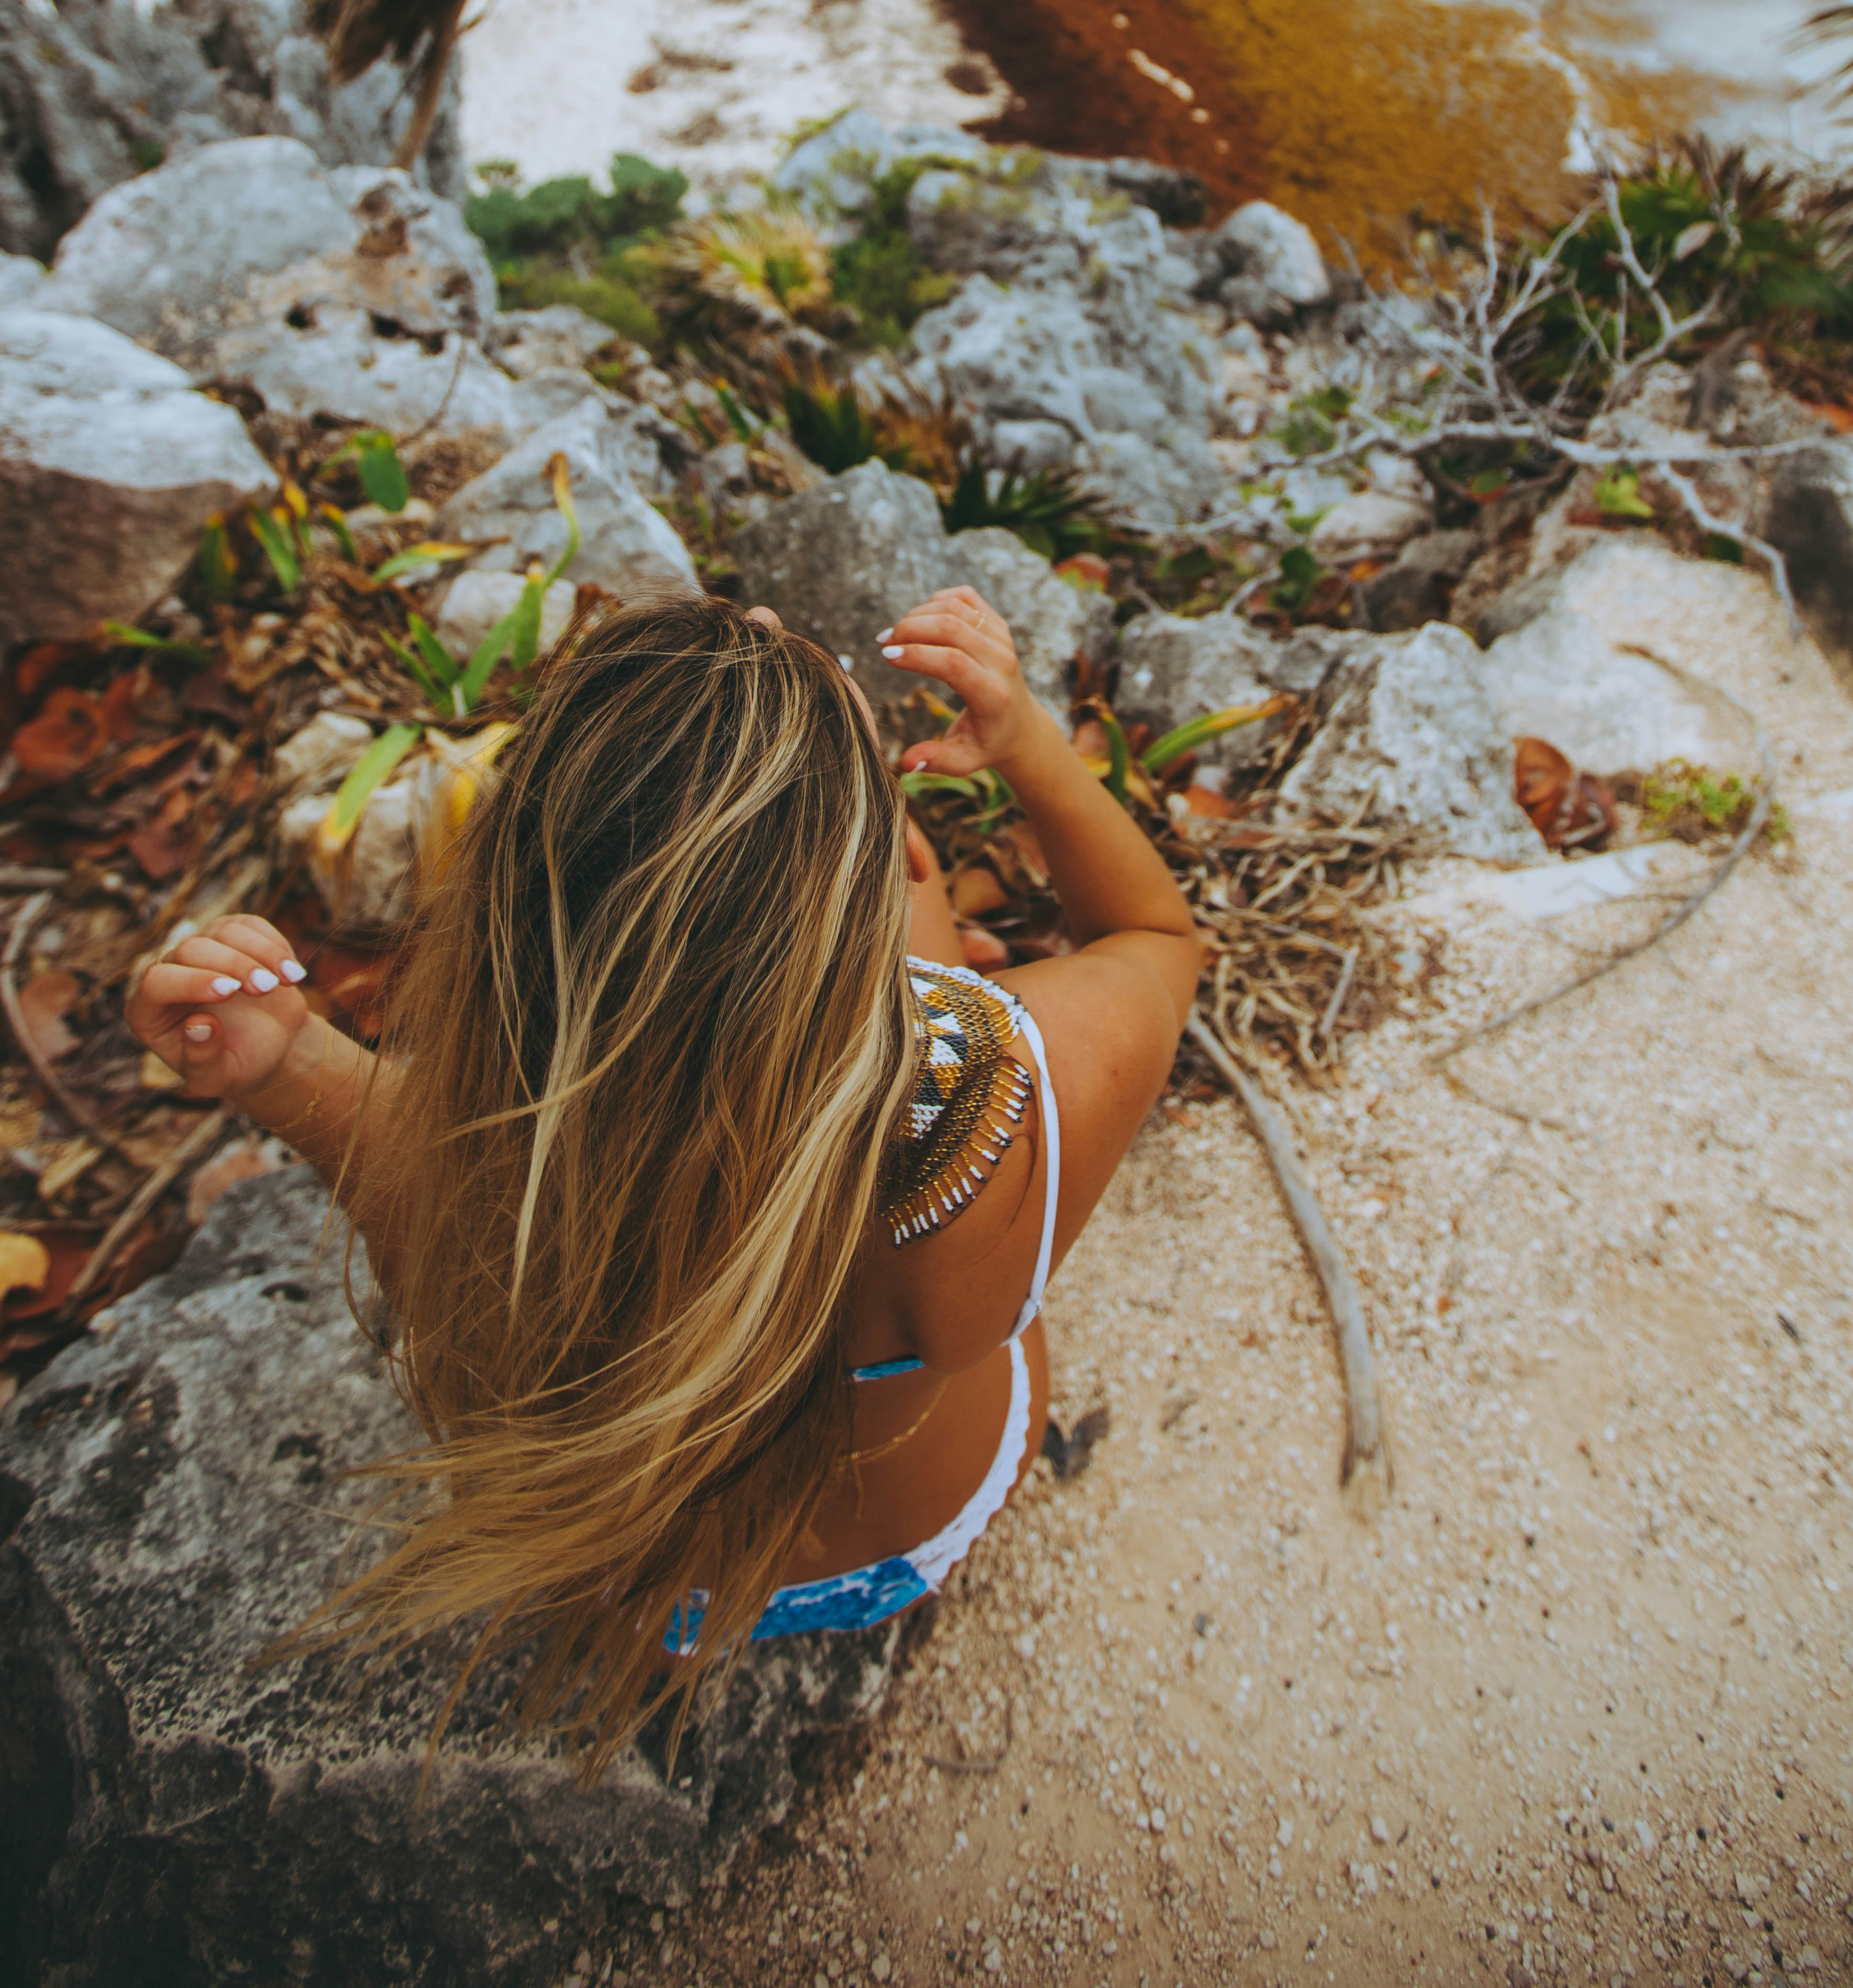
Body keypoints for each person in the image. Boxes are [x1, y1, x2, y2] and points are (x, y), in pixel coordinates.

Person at [126, 583, 1199, 1765]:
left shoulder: (503, 1127)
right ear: (843, 919)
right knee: (929, 892)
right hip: (910, 1526)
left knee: (557, 1217)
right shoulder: (991, 1114)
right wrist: (1034, 750)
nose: (754, 610)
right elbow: (1157, 940)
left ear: (502, 914)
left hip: (631, 1572)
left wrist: (286, 1067)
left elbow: (405, 1188)